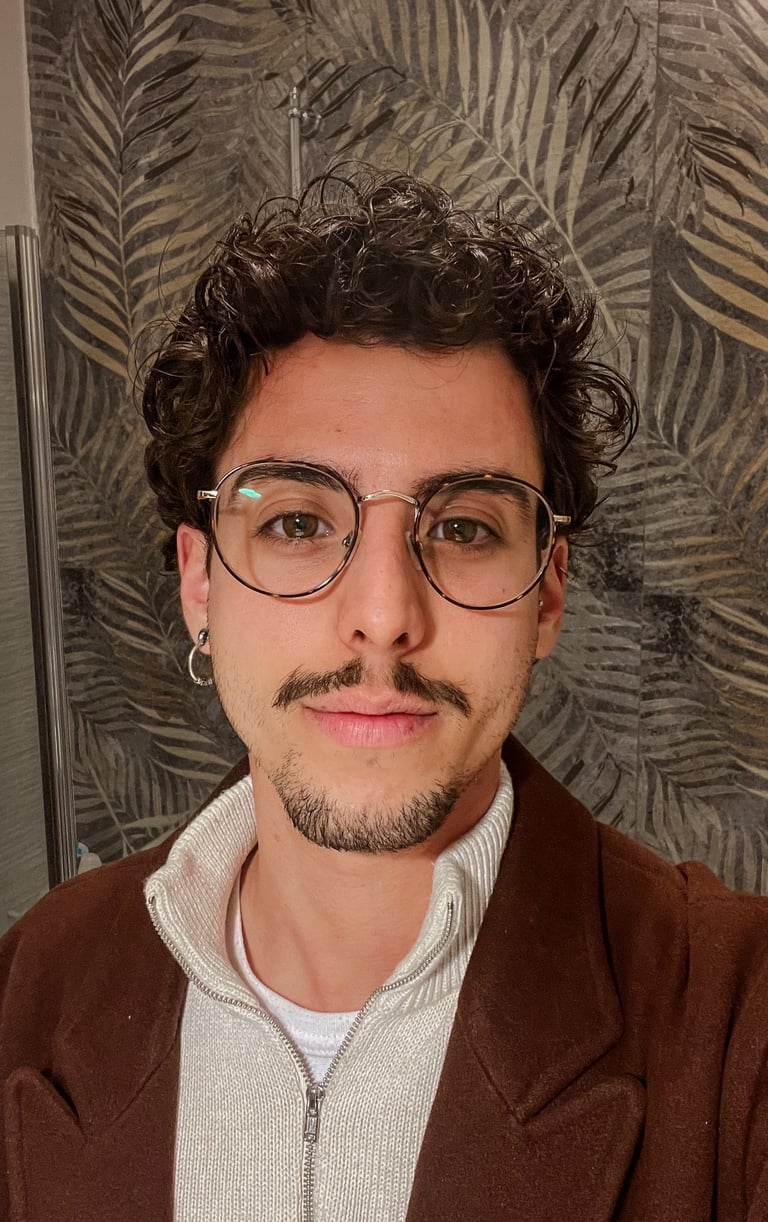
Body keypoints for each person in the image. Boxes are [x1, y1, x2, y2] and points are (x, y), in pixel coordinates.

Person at [2, 168, 768, 1222]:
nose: (382, 615)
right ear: (198, 580)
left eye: (463, 528)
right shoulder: (37, 977)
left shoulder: (735, 1018)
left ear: (547, 592)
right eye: (297, 522)